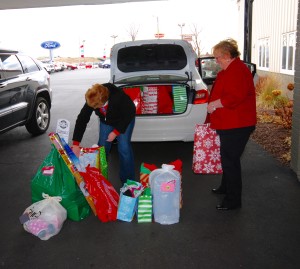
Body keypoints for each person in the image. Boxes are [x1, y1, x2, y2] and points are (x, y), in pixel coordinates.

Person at [207, 38, 256, 210]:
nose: (216, 60)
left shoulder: (237, 70)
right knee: (227, 157)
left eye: (218, 57)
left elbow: (235, 97)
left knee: (230, 161)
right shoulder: (231, 69)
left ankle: (233, 200)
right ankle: (225, 187)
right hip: (230, 123)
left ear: (227, 55)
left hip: (237, 125)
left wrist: (214, 104)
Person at [72, 83, 136, 184]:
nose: (93, 108)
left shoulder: (118, 97)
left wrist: (116, 132)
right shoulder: (93, 97)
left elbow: (130, 112)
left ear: (103, 102)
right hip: (106, 120)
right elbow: (82, 119)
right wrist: (76, 143)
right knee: (102, 146)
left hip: (124, 118)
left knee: (124, 147)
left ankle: (129, 181)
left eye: (95, 107)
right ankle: (99, 176)